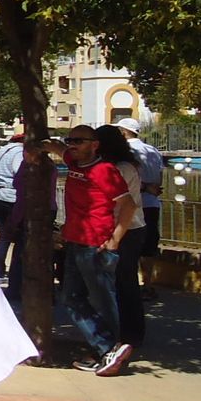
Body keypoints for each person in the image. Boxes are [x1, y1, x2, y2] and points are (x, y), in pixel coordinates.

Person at [47, 126, 134, 376]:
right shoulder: (74, 163)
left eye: (78, 141)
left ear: (94, 144)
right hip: (75, 241)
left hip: (96, 245)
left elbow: (128, 205)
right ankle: (107, 349)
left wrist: (115, 239)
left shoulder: (105, 170)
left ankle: (108, 350)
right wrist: (42, 144)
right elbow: (58, 149)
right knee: (71, 297)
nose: (72, 145)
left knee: (103, 300)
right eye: (70, 140)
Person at [96, 124, 148, 353]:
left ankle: (130, 334)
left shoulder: (120, 168)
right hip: (129, 228)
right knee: (122, 283)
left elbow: (124, 205)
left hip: (126, 229)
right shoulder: (124, 165)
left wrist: (115, 237)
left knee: (123, 283)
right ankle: (128, 332)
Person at [116, 117, 163, 327]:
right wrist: (153, 189)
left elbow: (131, 179)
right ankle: (148, 283)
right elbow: (159, 177)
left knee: (130, 248)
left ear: (124, 132)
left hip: (134, 205)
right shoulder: (153, 150)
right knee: (149, 246)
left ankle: (131, 285)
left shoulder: (127, 153)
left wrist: (144, 188)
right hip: (152, 203)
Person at [0, 137, 25, 281]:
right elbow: (19, 171)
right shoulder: (20, 152)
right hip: (11, 197)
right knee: (19, 237)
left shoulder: (0, 151)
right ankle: (15, 274)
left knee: (4, 236)